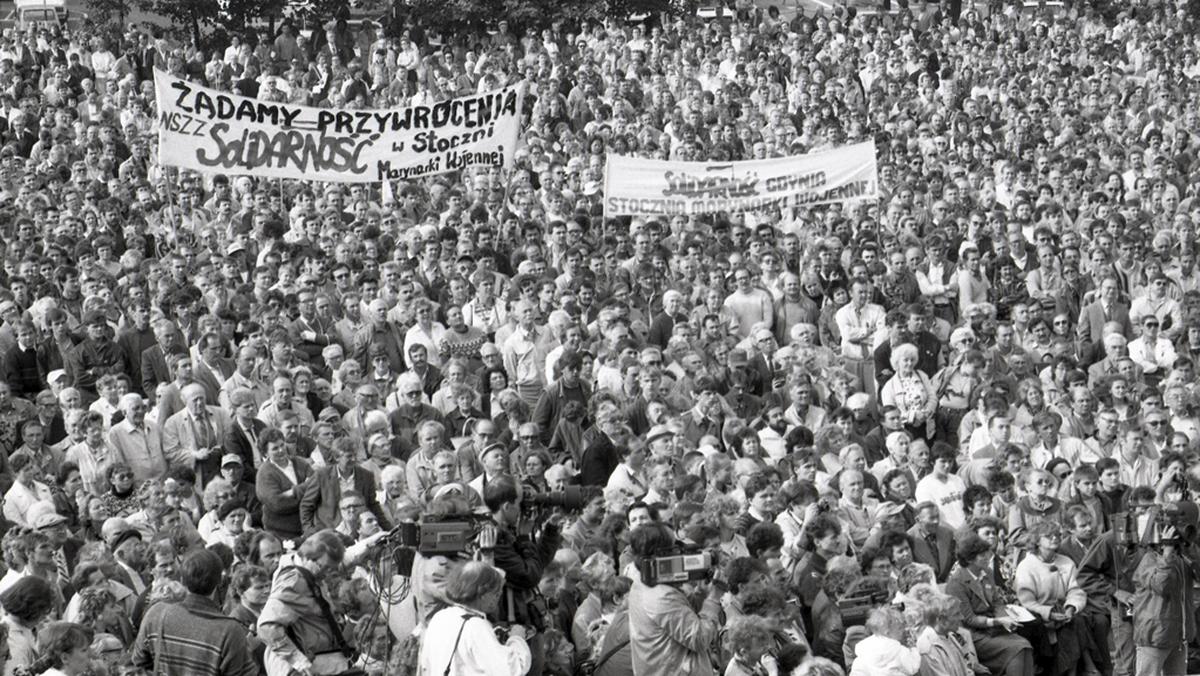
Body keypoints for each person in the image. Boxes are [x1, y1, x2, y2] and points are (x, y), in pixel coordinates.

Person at [131, 548, 256, 675]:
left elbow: (138, 663)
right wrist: (248, 649)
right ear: (219, 581)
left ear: (182, 579)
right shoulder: (230, 631)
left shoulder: (156, 613)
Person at [627, 522, 723, 676]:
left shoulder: (643, 582)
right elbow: (699, 639)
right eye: (674, 546)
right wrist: (714, 597)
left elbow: (681, 615)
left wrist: (701, 594)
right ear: (660, 555)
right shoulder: (661, 595)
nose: (679, 551)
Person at [258, 530, 350, 675]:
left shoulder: (310, 574)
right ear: (308, 557)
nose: (326, 573)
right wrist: (298, 661)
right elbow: (266, 626)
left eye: (330, 569)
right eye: (324, 567)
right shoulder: (295, 581)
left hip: (322, 661)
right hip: (298, 668)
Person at [418, 561, 531, 676]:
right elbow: (511, 670)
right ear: (483, 594)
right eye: (496, 593)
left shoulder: (440, 617)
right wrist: (517, 638)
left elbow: (425, 666)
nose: (498, 598)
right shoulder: (477, 626)